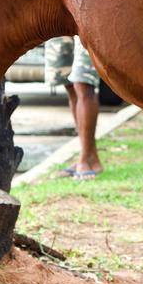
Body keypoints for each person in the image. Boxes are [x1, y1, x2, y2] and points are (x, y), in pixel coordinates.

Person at [44, 36, 102, 178]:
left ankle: (85, 158)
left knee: (83, 82)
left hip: (86, 18)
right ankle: (90, 157)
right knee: (68, 82)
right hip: (60, 19)